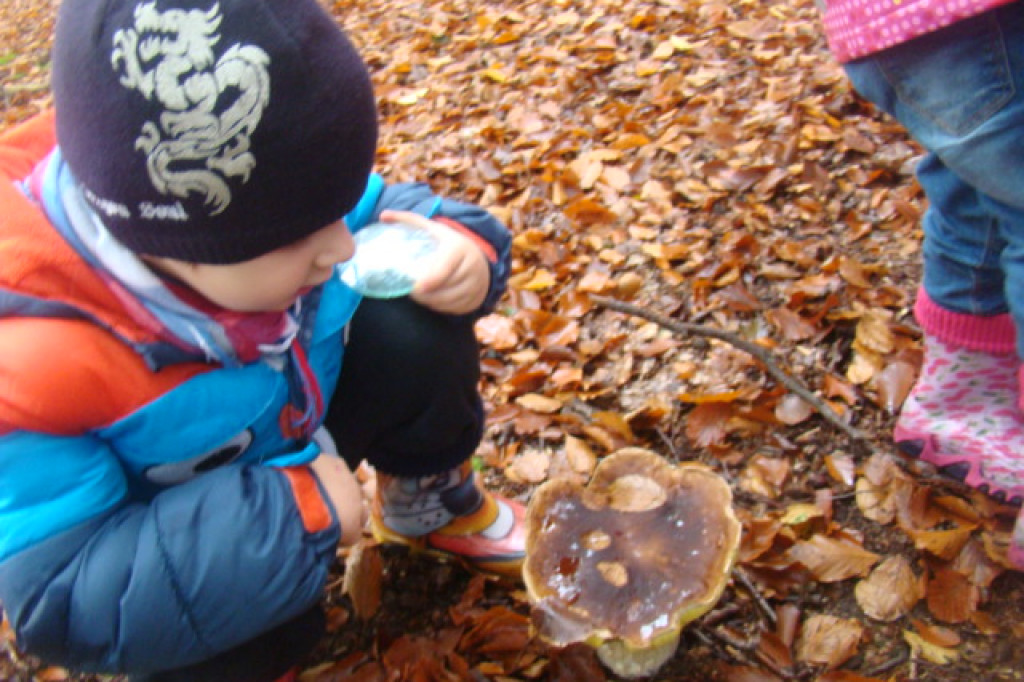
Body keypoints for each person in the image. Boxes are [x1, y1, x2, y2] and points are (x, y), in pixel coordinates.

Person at [0, 0, 525, 680]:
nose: (341, 245)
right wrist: (291, 517)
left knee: (411, 323)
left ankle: (426, 503)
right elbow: (64, 593)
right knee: (252, 629)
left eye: (337, 209)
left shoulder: (275, 207)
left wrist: (461, 248)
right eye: (302, 235)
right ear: (182, 245)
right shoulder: (30, 369)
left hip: (303, 419)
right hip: (192, 534)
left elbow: (386, 208)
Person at [819, 0, 1024, 567]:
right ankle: (964, 401)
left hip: (890, 23)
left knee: (975, 190)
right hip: (973, 19)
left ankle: (961, 403)